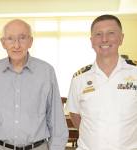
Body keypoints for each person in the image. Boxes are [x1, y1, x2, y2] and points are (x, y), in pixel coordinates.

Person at [0, 19, 69, 150]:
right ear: (3, 42)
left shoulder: (46, 71)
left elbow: (56, 119)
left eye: (22, 38)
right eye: (10, 39)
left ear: (30, 41)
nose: (16, 45)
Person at [66, 14, 137, 149]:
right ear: (91, 40)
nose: (104, 39)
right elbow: (74, 114)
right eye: (98, 34)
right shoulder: (79, 78)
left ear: (121, 38)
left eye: (111, 33)